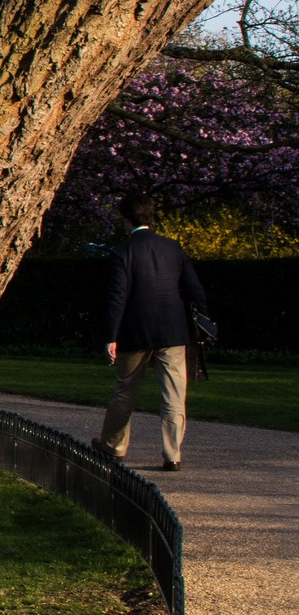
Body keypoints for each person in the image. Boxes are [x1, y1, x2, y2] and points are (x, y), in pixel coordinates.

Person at [99, 195, 208, 471]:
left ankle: (114, 447)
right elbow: (195, 289)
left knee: (125, 391)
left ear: (127, 219)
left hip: (134, 332)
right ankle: (172, 455)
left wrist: (111, 335)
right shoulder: (172, 247)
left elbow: (117, 297)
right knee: (173, 394)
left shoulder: (122, 251)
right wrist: (201, 319)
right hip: (173, 331)